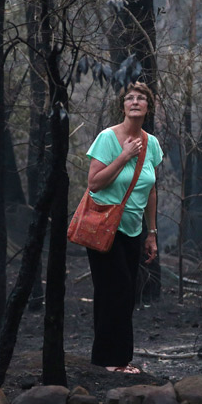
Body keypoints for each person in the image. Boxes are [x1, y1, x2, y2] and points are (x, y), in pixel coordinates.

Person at [85, 82, 163, 374]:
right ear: (122, 106)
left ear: (147, 107)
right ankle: (110, 360)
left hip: (133, 228)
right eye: (129, 98)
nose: (135, 101)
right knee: (114, 291)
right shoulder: (108, 138)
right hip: (103, 226)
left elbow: (151, 190)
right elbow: (94, 182)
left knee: (125, 292)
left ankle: (119, 358)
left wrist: (151, 233)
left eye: (141, 98)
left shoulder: (152, 143)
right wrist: (124, 156)